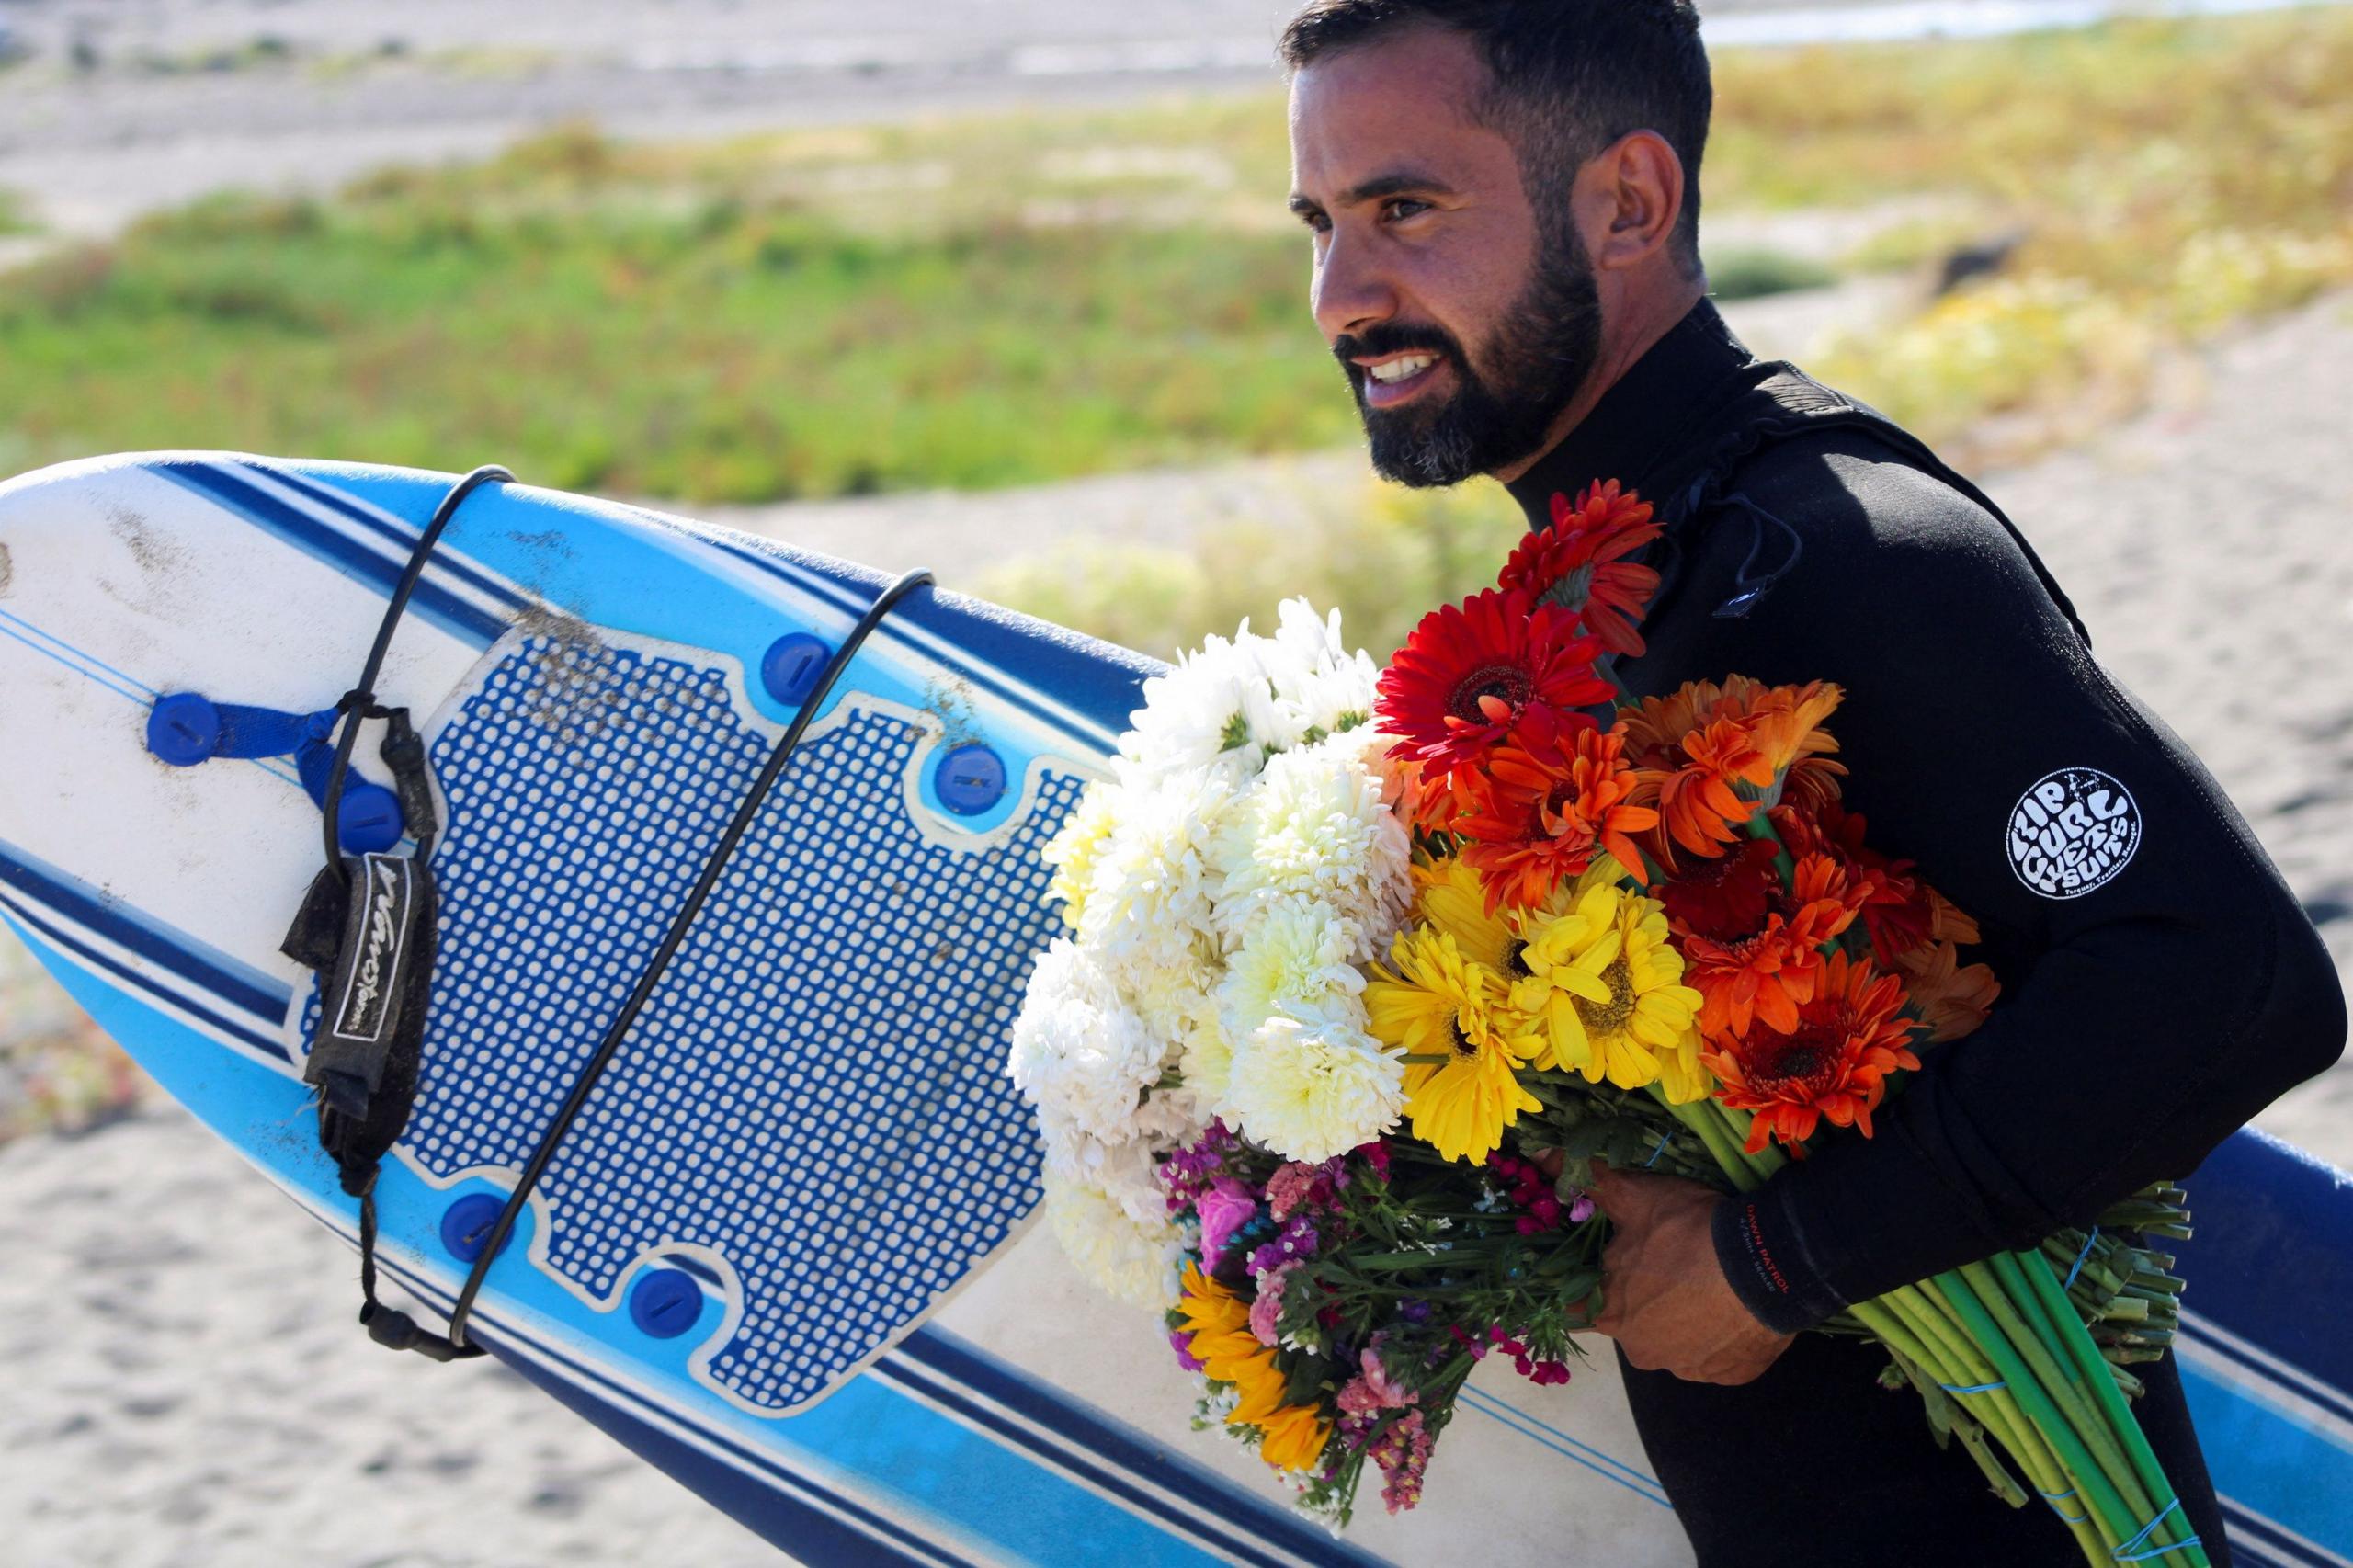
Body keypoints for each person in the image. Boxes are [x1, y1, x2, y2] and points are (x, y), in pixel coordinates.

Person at [1277, 3, 2348, 1563]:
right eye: (1320, 223)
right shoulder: (1612, 589)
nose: (1341, 298)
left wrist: (1772, 1261)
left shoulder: (1844, 552)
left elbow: (2229, 979)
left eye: (1405, 209)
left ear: (1629, 202)